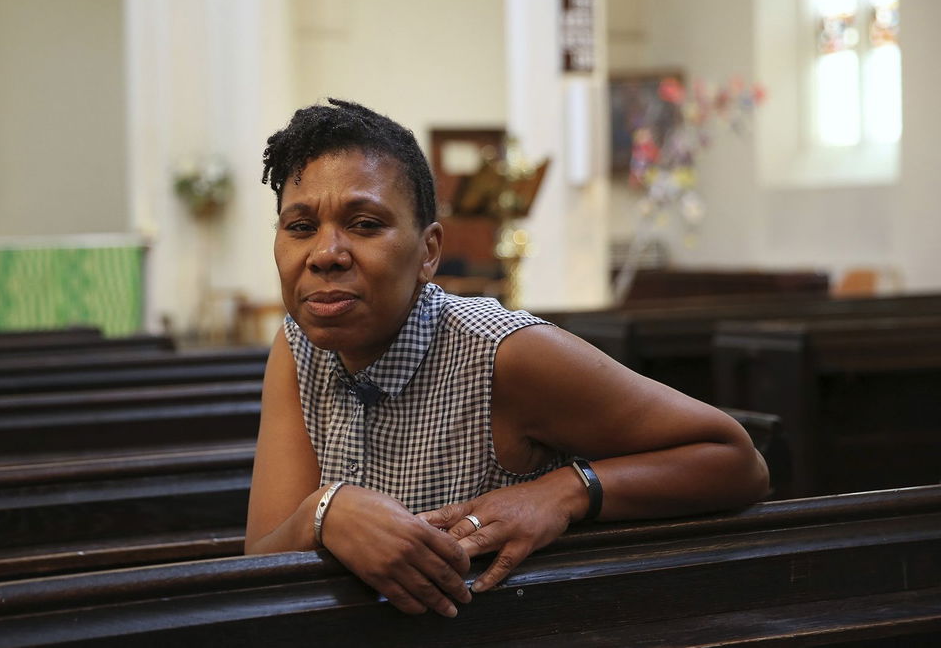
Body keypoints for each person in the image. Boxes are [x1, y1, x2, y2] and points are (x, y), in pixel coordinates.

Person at [244, 98, 770, 618]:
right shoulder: (297, 348)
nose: (325, 254)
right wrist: (325, 512)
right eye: (300, 226)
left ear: (428, 251)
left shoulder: (501, 353)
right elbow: (260, 563)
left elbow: (735, 461)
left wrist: (566, 492)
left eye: (364, 224)